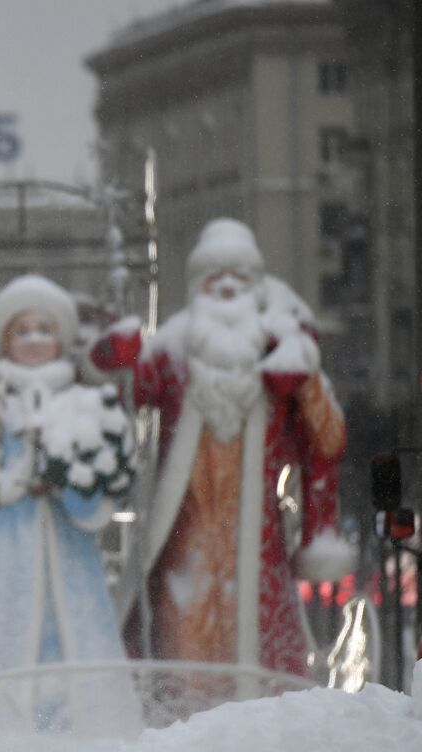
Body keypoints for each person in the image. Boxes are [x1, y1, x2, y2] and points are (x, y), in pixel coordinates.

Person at [90, 219, 350, 675]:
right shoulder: (172, 350)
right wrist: (115, 356)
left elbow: (328, 439)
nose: (228, 286)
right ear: (198, 288)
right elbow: (125, 399)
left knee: (261, 648)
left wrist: (306, 380)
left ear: (257, 288)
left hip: (258, 546)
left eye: (239, 277)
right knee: (181, 649)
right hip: (183, 542)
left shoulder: (277, 351)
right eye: (215, 277)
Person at [0, 275, 139, 732]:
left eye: (44, 330)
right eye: (22, 330)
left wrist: (79, 482)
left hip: (70, 548)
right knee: (6, 630)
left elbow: (98, 490)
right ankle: (2, 730)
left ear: (62, 339)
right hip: (9, 545)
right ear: (6, 340)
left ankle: (94, 727)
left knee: (79, 631)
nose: (33, 340)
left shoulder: (87, 405)